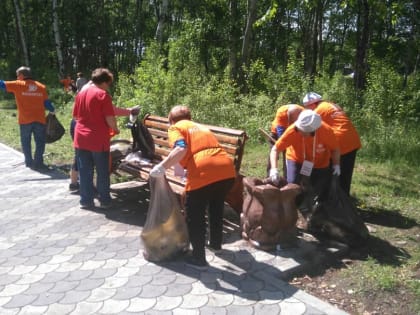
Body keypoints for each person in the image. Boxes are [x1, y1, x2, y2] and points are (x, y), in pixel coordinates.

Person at [149, 105, 236, 270]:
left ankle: (198, 259)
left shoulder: (175, 127)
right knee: (216, 207)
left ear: (171, 120)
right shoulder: (201, 127)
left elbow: (181, 148)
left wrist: (162, 166)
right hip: (226, 170)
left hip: (205, 170)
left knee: (195, 216)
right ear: (189, 117)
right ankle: (216, 245)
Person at [68, 80, 140, 192]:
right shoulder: (98, 92)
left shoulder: (85, 90)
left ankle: (75, 184)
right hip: (87, 127)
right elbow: (110, 112)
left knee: (80, 154)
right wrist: (128, 113)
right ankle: (90, 189)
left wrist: (128, 112)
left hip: (77, 125)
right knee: (90, 158)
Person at [269, 110, 340, 203]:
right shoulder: (293, 130)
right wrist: (274, 169)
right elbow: (275, 149)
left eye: (304, 131)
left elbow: (335, 149)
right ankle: (294, 205)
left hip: (320, 163)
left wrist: (336, 165)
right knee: (293, 184)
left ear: (314, 130)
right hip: (295, 158)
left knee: (318, 188)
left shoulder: (326, 131)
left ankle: (313, 206)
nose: (300, 132)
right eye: (299, 129)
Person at [72, 68, 119, 209]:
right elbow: (109, 118)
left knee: (85, 171)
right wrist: (116, 129)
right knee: (102, 171)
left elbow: (75, 116)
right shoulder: (103, 95)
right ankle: (104, 200)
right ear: (104, 82)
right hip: (98, 139)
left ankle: (86, 201)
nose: (108, 87)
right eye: (108, 84)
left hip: (80, 138)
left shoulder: (81, 93)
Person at [302, 92, 361, 195]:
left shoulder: (319, 110)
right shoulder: (332, 105)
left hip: (339, 141)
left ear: (312, 104)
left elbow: (311, 130)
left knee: (326, 169)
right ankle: (343, 199)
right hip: (352, 141)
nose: (308, 110)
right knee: (345, 174)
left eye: (307, 108)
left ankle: (326, 197)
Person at [0, 66, 55, 170]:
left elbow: (1, 84)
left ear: (21, 75)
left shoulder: (18, 84)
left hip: (25, 120)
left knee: (26, 141)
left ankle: (29, 162)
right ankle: (38, 162)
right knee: (40, 142)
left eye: (17, 75)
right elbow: (47, 103)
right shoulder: (41, 86)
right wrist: (52, 110)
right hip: (39, 119)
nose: (16, 77)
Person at [267, 104, 304, 175]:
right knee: (274, 151)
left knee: (288, 155)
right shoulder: (281, 112)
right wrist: (283, 143)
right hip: (276, 132)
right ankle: (271, 174)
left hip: (295, 131)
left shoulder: (303, 112)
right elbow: (280, 130)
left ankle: (287, 175)